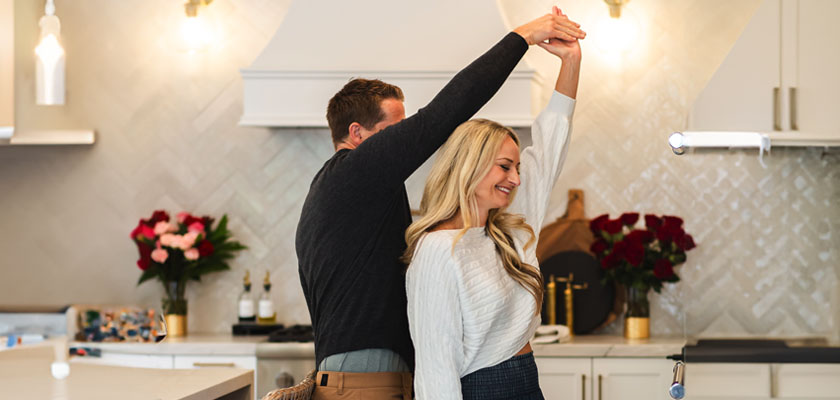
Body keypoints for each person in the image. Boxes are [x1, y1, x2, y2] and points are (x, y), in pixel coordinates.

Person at [295, 7, 586, 400]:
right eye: (393, 133)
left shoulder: (368, 189)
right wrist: (523, 36)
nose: (407, 143)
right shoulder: (353, 176)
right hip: (366, 381)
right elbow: (442, 116)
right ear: (356, 133)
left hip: (388, 375)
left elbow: (549, 147)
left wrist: (571, 63)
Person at [403, 6, 582, 399]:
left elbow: (551, 140)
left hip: (525, 382)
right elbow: (436, 369)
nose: (516, 179)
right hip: (483, 390)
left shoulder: (509, 226)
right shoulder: (437, 251)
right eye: (504, 166)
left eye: (517, 167)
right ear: (470, 166)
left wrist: (571, 60)